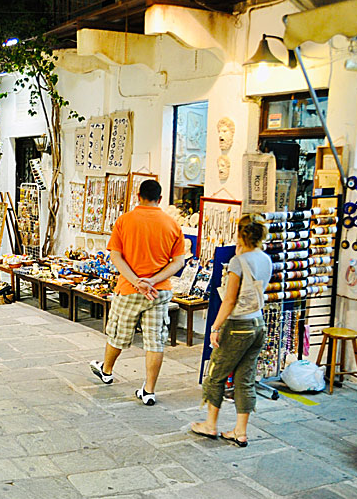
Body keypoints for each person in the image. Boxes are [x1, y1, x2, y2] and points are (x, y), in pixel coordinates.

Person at [89, 179, 185, 406]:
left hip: (129, 289)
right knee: (155, 341)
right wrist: (152, 281)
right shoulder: (172, 224)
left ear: (138, 195)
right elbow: (178, 261)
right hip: (159, 292)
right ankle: (149, 390)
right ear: (160, 199)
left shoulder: (125, 221)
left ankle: (107, 370)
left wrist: (136, 281)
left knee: (118, 334)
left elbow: (115, 256)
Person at [191, 215, 271, 447]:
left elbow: (229, 299)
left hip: (238, 325)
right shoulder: (266, 259)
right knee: (245, 379)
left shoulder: (239, 261)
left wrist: (215, 327)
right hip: (258, 324)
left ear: (240, 234)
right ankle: (240, 431)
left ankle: (210, 424)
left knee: (215, 374)